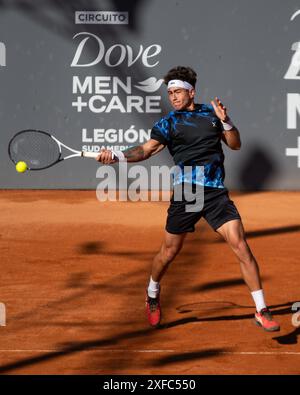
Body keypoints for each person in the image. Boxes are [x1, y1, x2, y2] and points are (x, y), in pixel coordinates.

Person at [97, 66, 280, 332]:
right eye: (170, 93)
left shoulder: (212, 114)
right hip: (187, 191)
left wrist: (226, 122)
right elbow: (145, 150)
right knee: (170, 252)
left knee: (240, 245)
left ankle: (261, 309)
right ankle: (152, 292)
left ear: (191, 92)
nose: (173, 97)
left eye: (178, 92)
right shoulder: (168, 123)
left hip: (215, 191)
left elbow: (235, 144)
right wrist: (116, 156)